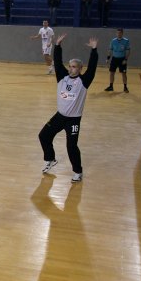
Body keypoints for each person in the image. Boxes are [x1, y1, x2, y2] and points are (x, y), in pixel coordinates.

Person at [38, 34, 99, 183]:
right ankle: (50, 159)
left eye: (74, 67)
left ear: (80, 68)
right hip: (59, 116)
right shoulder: (62, 77)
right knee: (43, 135)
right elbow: (58, 62)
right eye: (70, 66)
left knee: (71, 146)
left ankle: (78, 171)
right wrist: (58, 46)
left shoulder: (84, 81)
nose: (71, 69)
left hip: (73, 120)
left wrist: (94, 50)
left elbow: (92, 67)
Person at [104, 28, 130, 93]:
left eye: (120, 33)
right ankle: (111, 86)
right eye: (117, 33)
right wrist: (108, 58)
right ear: (116, 33)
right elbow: (110, 50)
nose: (119, 34)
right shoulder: (113, 41)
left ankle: (125, 87)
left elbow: (128, 51)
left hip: (122, 59)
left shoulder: (126, 41)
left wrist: (126, 59)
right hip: (114, 59)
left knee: (124, 73)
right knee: (111, 73)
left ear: (122, 33)